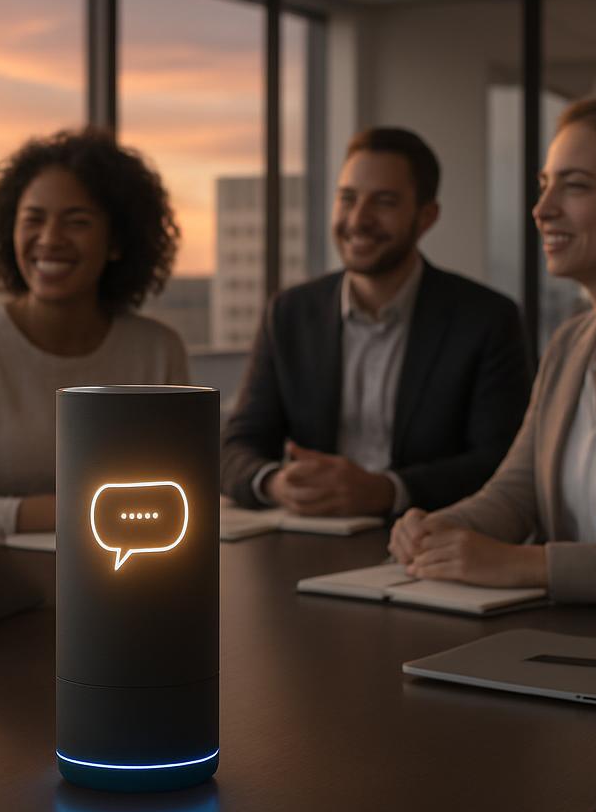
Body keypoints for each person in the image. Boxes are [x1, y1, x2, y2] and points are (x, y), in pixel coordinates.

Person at [390, 92, 596, 608]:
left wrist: (527, 565)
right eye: (544, 186)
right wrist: (439, 529)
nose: (542, 209)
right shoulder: (570, 346)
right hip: (567, 650)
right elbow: (517, 491)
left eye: (574, 186)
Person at [221, 126, 531, 518]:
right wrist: (273, 482)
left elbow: (500, 463)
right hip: (307, 535)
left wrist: (387, 491)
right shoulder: (290, 313)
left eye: (383, 202)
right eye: (347, 198)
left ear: (426, 217)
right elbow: (235, 445)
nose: (358, 219)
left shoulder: (487, 319)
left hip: (428, 540)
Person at [0, 128, 190, 537]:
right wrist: (82, 513)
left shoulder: (158, 350)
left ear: (116, 242)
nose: (50, 239)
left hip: (132, 574)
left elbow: (179, 497)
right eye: (34, 220)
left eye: (77, 222)